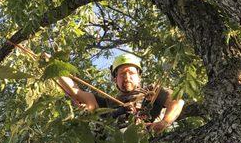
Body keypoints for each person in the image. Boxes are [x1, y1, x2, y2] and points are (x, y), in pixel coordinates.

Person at [53, 53, 184, 133]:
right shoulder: (107, 103)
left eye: (131, 73)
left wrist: (164, 122)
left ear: (139, 77)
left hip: (147, 137)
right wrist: (53, 66)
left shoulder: (152, 92)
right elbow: (75, 91)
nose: (127, 77)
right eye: (122, 74)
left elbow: (177, 101)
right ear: (115, 79)